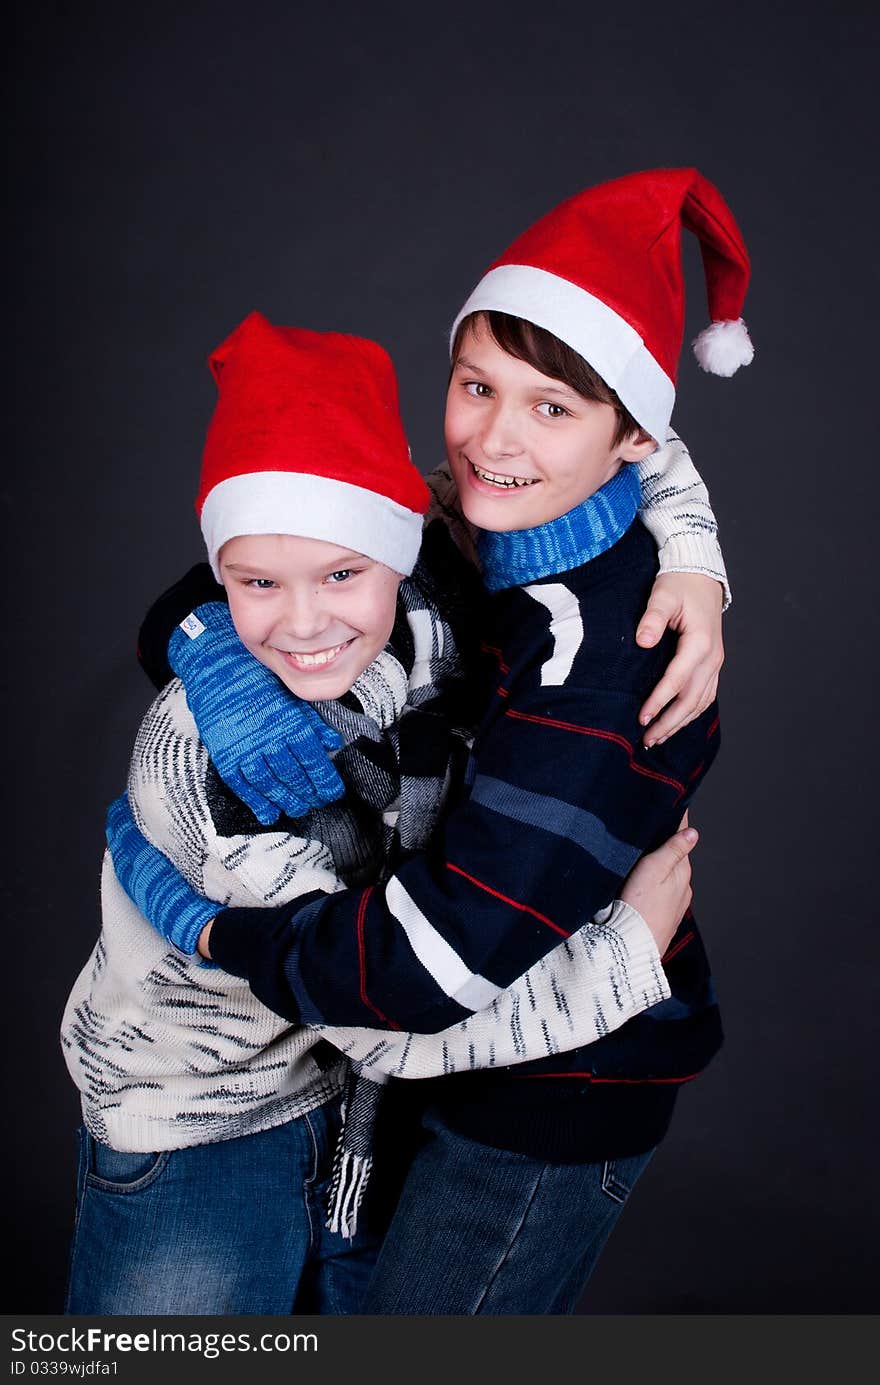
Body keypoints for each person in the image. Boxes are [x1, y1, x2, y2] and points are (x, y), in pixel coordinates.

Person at [106, 166, 751, 1313]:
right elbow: (266, 561)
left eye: (550, 407)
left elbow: (425, 969)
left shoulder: (601, 661)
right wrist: (207, 642)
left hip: (547, 1090)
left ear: (631, 434)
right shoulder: (468, 523)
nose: (491, 440)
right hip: (413, 1049)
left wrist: (200, 922)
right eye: (474, 385)